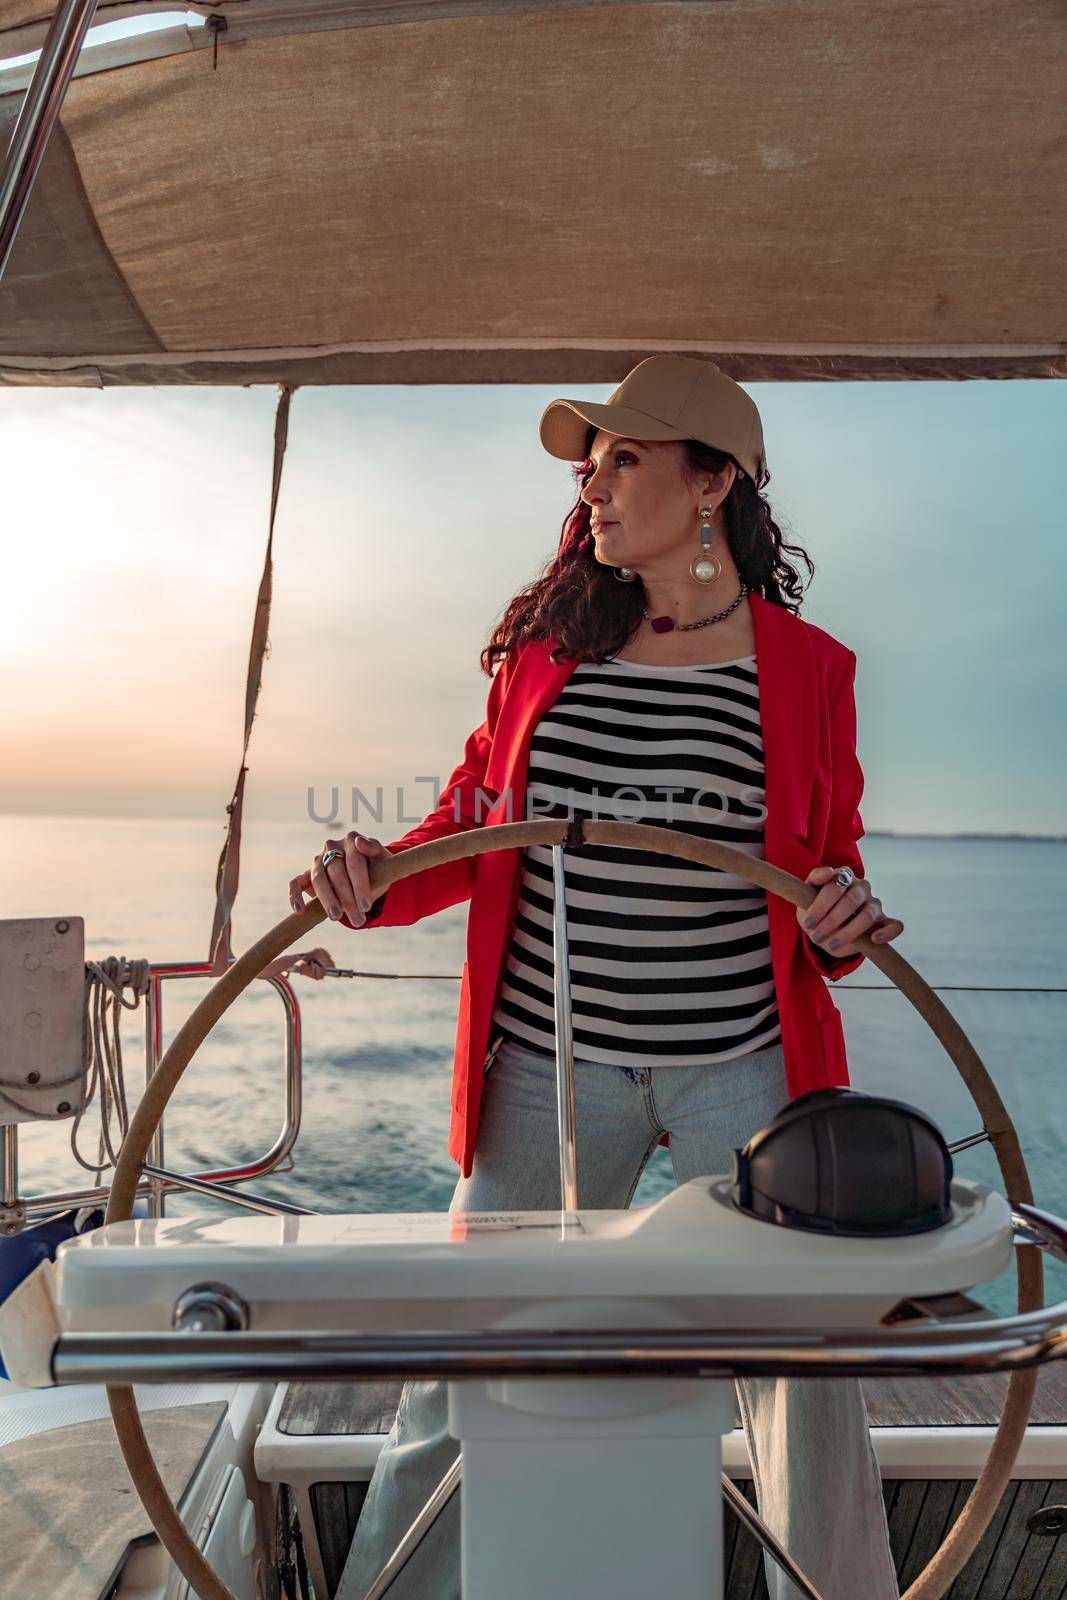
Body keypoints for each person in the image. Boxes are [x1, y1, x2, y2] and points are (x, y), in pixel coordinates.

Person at [288, 355, 905, 1600]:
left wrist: (842, 920)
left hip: (741, 1069)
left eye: (626, 455)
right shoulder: (541, 652)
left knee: (807, 1378)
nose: (594, 478)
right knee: (458, 1364)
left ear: (713, 481)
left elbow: (821, 870)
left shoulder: (808, 669)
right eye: (592, 458)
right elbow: (470, 824)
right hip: (548, 1066)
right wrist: (371, 878)